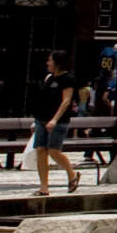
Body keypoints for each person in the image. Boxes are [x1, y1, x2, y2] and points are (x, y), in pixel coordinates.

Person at [27, 51, 81, 196]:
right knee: (40, 150)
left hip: (58, 121)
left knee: (53, 151)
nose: (47, 63)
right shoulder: (49, 78)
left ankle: (72, 174)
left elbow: (66, 101)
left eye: (50, 60)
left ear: (57, 62)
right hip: (41, 119)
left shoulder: (68, 79)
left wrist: (55, 119)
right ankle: (43, 187)